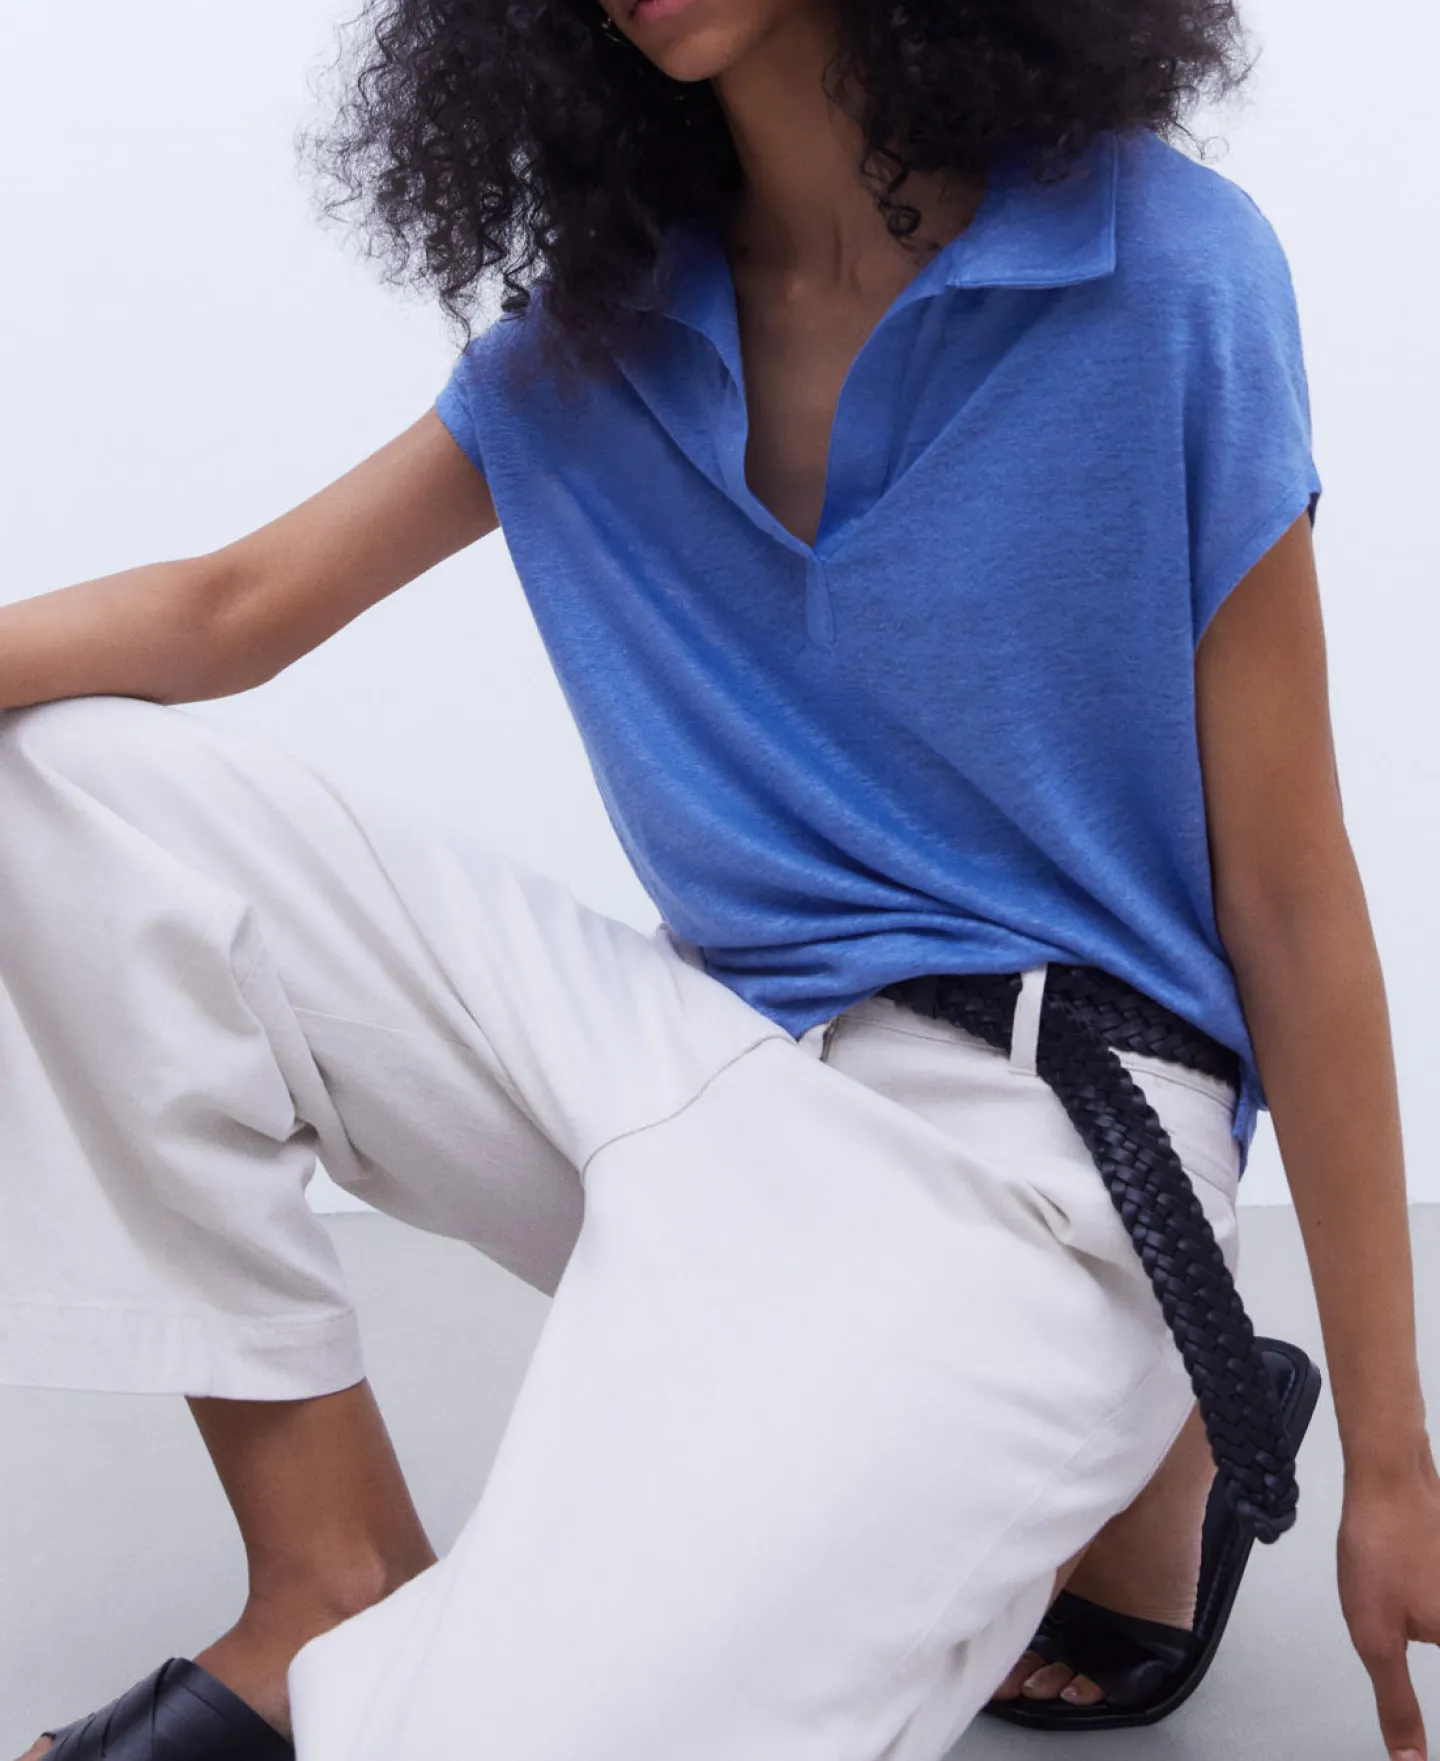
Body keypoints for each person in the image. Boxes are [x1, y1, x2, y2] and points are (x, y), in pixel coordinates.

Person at [3, 0, 1437, 1755]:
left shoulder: (1165, 273)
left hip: (1037, 1145)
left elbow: (1289, 893)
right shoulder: (594, 342)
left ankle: (1150, 1400)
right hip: (703, 1064)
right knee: (60, 786)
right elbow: (227, 610)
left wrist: (1391, 1465)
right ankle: (328, 1576)